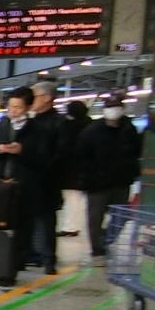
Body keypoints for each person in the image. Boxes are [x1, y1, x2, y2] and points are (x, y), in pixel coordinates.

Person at [0, 86, 42, 277]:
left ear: (28, 107)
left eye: (18, 107)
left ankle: (12, 268)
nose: (13, 111)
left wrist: (22, 151)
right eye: (11, 106)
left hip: (24, 187)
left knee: (22, 228)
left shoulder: (37, 130)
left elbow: (44, 159)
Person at [76, 95, 142, 263]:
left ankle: (106, 240)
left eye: (116, 106)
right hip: (97, 183)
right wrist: (89, 177)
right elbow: (82, 157)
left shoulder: (129, 129)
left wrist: (131, 171)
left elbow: (136, 151)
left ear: (122, 109)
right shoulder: (91, 131)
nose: (113, 110)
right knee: (95, 218)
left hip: (121, 181)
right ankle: (97, 251)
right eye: (110, 107)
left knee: (121, 215)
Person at [27, 81, 67, 275]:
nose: (30, 101)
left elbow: (62, 153)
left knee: (46, 220)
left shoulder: (59, 123)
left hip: (48, 181)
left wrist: (45, 170)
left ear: (47, 98)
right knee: (29, 219)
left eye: (33, 97)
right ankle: (30, 254)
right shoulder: (31, 122)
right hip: (29, 179)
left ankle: (48, 258)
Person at [58, 100, 91, 237]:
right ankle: (73, 226)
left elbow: (63, 147)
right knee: (78, 199)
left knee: (71, 199)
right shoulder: (90, 125)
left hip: (69, 170)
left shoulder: (69, 127)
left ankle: (71, 227)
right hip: (85, 169)